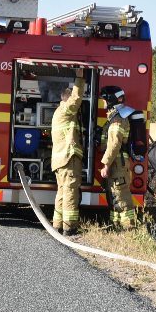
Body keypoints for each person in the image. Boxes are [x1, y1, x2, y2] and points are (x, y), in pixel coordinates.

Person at [51, 69, 85, 235]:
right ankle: (69, 227)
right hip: (68, 158)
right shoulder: (66, 111)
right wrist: (79, 78)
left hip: (60, 160)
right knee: (70, 192)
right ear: (66, 99)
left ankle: (57, 224)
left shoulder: (59, 113)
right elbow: (76, 98)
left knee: (62, 193)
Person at [99, 85, 137, 229]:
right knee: (114, 194)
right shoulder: (114, 117)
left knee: (121, 194)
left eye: (104, 100)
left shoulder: (117, 119)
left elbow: (114, 144)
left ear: (111, 100)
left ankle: (129, 227)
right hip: (117, 162)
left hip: (117, 163)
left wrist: (106, 165)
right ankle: (116, 225)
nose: (103, 103)